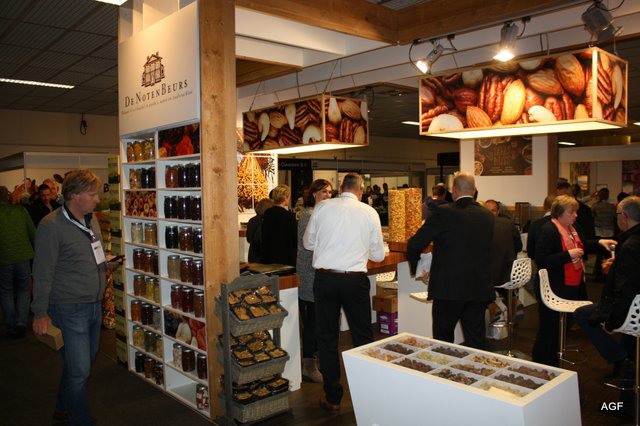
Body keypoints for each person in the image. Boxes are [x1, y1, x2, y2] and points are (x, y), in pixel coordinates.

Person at [31, 169, 120, 425]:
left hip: (94, 304)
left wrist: (105, 264)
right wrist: (40, 312)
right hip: (68, 308)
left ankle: (62, 406)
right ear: (75, 195)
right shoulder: (51, 226)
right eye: (92, 194)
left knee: (80, 363)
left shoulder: (91, 220)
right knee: (80, 369)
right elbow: (42, 272)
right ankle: (80, 420)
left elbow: (95, 253)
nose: (97, 199)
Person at [303, 173, 384, 413]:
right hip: (354, 281)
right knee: (362, 336)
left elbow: (308, 243)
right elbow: (378, 255)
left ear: (340, 188)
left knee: (327, 337)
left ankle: (333, 397)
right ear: (361, 190)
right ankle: (367, 395)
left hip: (326, 279)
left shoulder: (322, 207)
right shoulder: (369, 212)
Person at [407, 172, 495, 349]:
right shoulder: (487, 215)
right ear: (474, 190)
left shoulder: (443, 212)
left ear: (454, 190)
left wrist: (418, 269)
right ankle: (474, 367)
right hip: (478, 287)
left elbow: (415, 244)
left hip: (448, 287)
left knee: (443, 339)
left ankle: (445, 367)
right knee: (475, 339)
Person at [532, 195, 611, 366]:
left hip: (570, 284)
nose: (575, 215)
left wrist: (600, 242)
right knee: (549, 328)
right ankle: (541, 363)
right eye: (572, 212)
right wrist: (568, 255)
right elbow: (541, 260)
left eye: (576, 212)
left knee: (562, 327)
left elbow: (583, 245)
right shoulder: (549, 230)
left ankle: (553, 363)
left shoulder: (573, 228)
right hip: (553, 286)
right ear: (559, 213)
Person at [574, 196, 640, 386]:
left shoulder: (630, 246)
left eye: (617, 214)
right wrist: (617, 266)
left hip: (631, 310)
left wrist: (611, 322)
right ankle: (626, 366)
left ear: (624, 216)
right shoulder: (631, 242)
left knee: (582, 314)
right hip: (635, 306)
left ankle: (621, 360)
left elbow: (624, 291)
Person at [296, 179, 332, 383]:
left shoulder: (320, 214)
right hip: (311, 272)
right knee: (312, 320)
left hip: (319, 270)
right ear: (314, 194)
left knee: (318, 318)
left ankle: (316, 359)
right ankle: (308, 364)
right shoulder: (308, 214)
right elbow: (308, 246)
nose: (328, 195)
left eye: (330, 192)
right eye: (324, 191)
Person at [0, 186, 35, 338]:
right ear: (7, 197)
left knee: (5, 291)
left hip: (3, 258)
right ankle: (21, 322)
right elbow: (33, 232)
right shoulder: (21, 211)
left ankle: (10, 326)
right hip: (23, 255)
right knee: (24, 290)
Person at [261, 184, 297, 266]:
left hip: (269, 255)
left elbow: (264, 234)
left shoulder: (267, 213)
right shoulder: (289, 216)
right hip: (286, 257)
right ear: (285, 197)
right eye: (289, 196)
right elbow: (294, 238)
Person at [245, 198, 274, 263]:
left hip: (253, 255)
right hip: (266, 256)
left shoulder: (252, 220)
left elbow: (249, 239)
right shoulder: (270, 221)